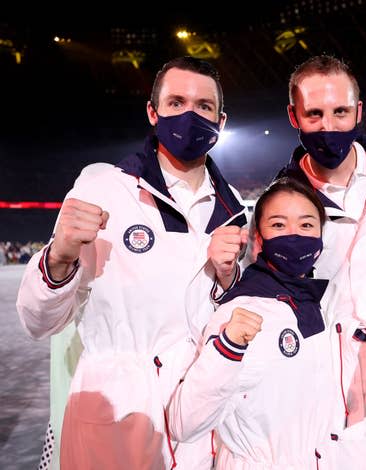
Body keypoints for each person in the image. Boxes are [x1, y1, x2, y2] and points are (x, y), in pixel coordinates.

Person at [16, 56, 249, 470]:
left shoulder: (233, 210)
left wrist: (227, 282)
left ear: (221, 121)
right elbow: (38, 322)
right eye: (176, 102)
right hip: (117, 409)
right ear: (153, 112)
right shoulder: (104, 189)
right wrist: (61, 256)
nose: (190, 115)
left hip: (198, 412)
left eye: (204, 106)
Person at [243, 55, 366, 469]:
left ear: (358, 110)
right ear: (293, 115)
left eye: (339, 111)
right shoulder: (283, 203)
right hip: (332, 374)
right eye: (314, 114)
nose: (328, 126)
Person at [168, 177, 340, 469]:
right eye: (278, 225)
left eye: (306, 225)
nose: (294, 234)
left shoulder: (319, 303)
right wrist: (228, 349)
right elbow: (184, 423)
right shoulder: (241, 309)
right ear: (258, 239)